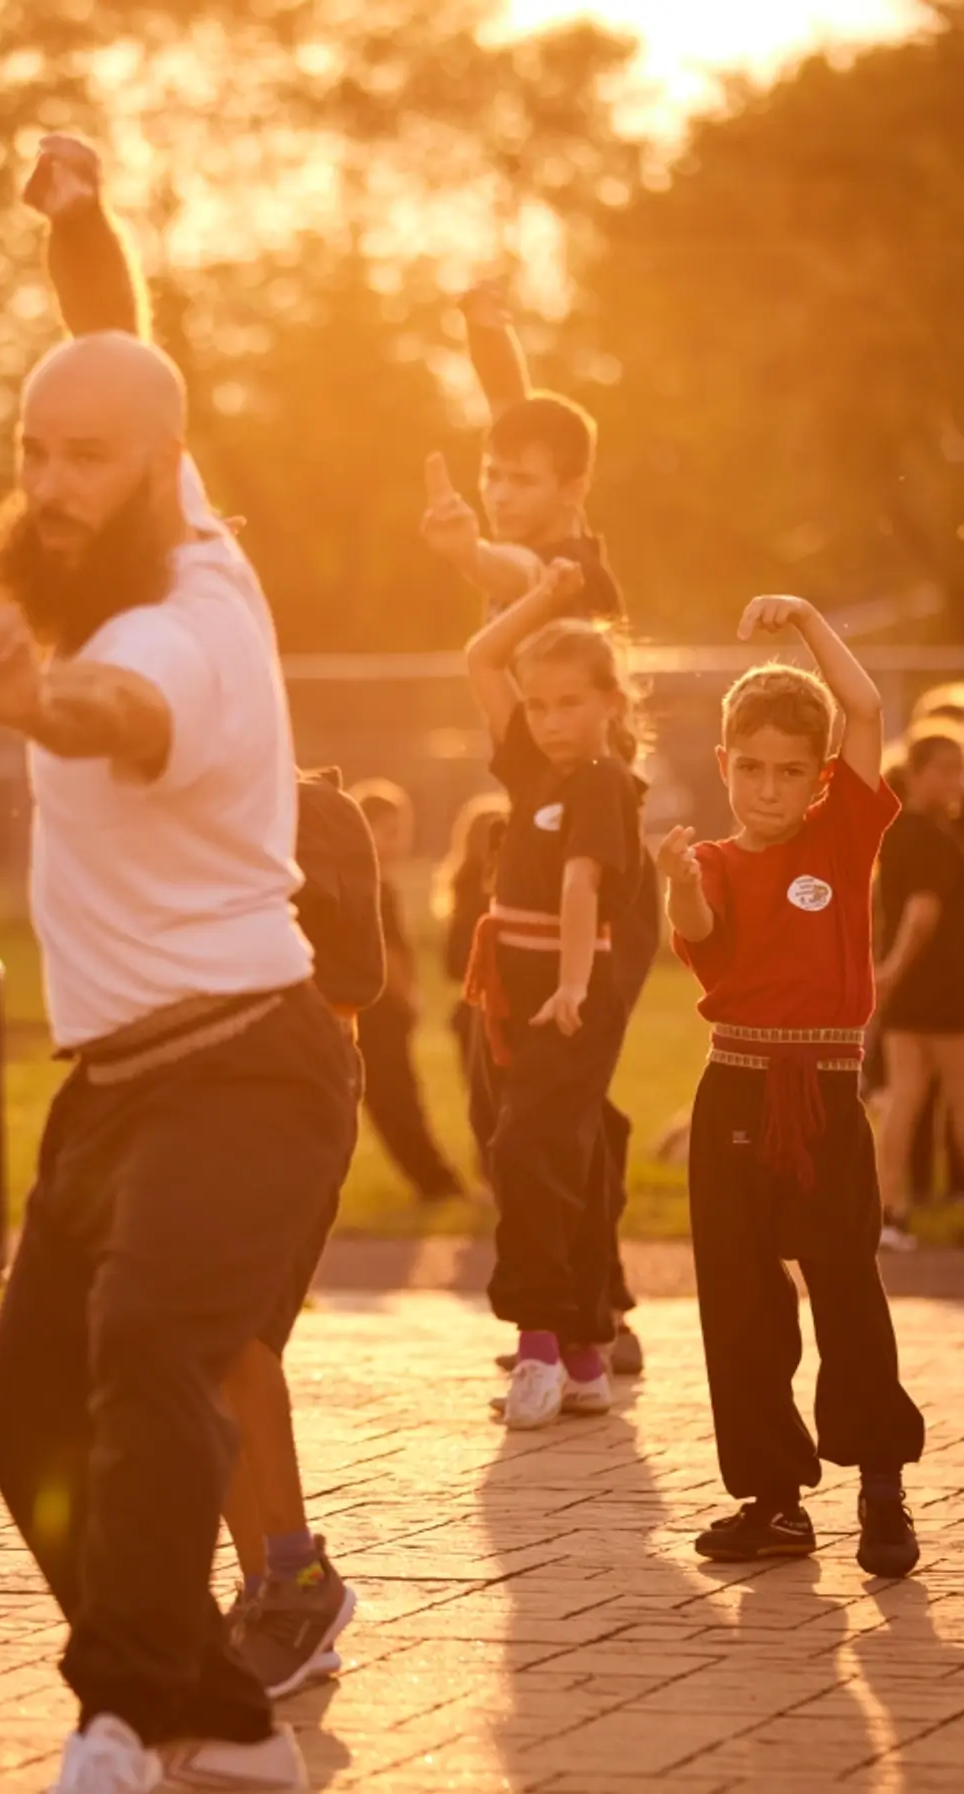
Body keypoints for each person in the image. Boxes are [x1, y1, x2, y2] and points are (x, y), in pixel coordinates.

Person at [0, 155, 358, 1794]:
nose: (51, 484)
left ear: (162, 472)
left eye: (83, 460)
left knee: (145, 1355)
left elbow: (119, 714)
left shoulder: (185, 611)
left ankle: (121, 1718)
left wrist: (30, 704)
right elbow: (112, 344)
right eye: (28, 453)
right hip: (120, 1082)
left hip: (245, 1066)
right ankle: (219, 1708)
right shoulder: (137, 496)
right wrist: (72, 222)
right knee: (21, 1404)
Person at [664, 596, 925, 1576]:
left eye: (788, 771)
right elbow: (693, 927)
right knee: (738, 1298)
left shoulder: (839, 839)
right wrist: (674, 881)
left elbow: (859, 709)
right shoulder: (712, 859)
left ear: (817, 778)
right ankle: (772, 1501)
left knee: (843, 1284)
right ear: (723, 764)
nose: (767, 789)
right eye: (749, 768)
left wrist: (808, 621)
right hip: (731, 1089)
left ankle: (881, 1485)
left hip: (821, 1093)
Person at [430, 280, 651, 1378]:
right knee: (543, 1106)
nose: (497, 489)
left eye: (516, 481)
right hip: (535, 848)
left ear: (569, 492)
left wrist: (468, 550)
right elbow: (525, 432)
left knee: (542, 1114)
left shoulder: (565, 574)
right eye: (488, 476)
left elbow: (509, 566)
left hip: (596, 862)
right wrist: (488, 339)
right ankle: (595, 1303)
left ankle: (576, 1317)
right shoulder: (551, 514)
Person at [460, 562, 648, 1429]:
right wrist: (543, 599)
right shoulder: (529, 768)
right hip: (513, 989)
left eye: (570, 702)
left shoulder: (604, 785)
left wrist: (573, 985)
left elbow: (583, 889)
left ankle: (537, 1340)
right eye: (538, 704)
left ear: (611, 702)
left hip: (570, 995)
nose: (550, 720)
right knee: (557, 1156)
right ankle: (583, 1351)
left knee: (528, 1148)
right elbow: (479, 656)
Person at [872, 727, 964, 1252]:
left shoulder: (913, 830)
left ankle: (889, 1213)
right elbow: (921, 913)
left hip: (921, 990)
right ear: (914, 775)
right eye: (945, 769)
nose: (957, 780)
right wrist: (891, 971)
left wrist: (890, 976)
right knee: (962, 1102)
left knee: (904, 1098)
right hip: (943, 990)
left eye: (962, 769)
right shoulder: (926, 834)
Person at [349, 779, 464, 1200]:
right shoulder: (376, 888)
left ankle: (437, 1183)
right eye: (392, 830)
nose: (401, 840)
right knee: (398, 1101)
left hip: (360, 1012)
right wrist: (410, 1000)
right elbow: (390, 955)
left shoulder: (357, 884)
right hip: (380, 1014)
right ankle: (438, 1186)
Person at [440, 789, 511, 1176]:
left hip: (472, 1011)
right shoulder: (477, 895)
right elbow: (454, 961)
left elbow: (450, 963)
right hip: (485, 1010)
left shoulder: (461, 891)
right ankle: (492, 1173)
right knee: (490, 1096)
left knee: (484, 1097)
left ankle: (491, 1172)